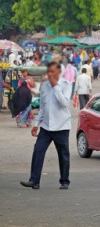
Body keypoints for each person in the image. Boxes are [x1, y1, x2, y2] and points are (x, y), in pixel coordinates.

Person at [20, 61, 73, 190]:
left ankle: (64, 181)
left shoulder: (66, 85)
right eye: (48, 71)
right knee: (38, 150)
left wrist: (55, 86)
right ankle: (34, 180)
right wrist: (36, 124)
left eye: (52, 72)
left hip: (62, 126)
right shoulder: (44, 86)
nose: (49, 74)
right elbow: (43, 108)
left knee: (63, 155)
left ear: (59, 72)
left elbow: (64, 104)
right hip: (46, 127)